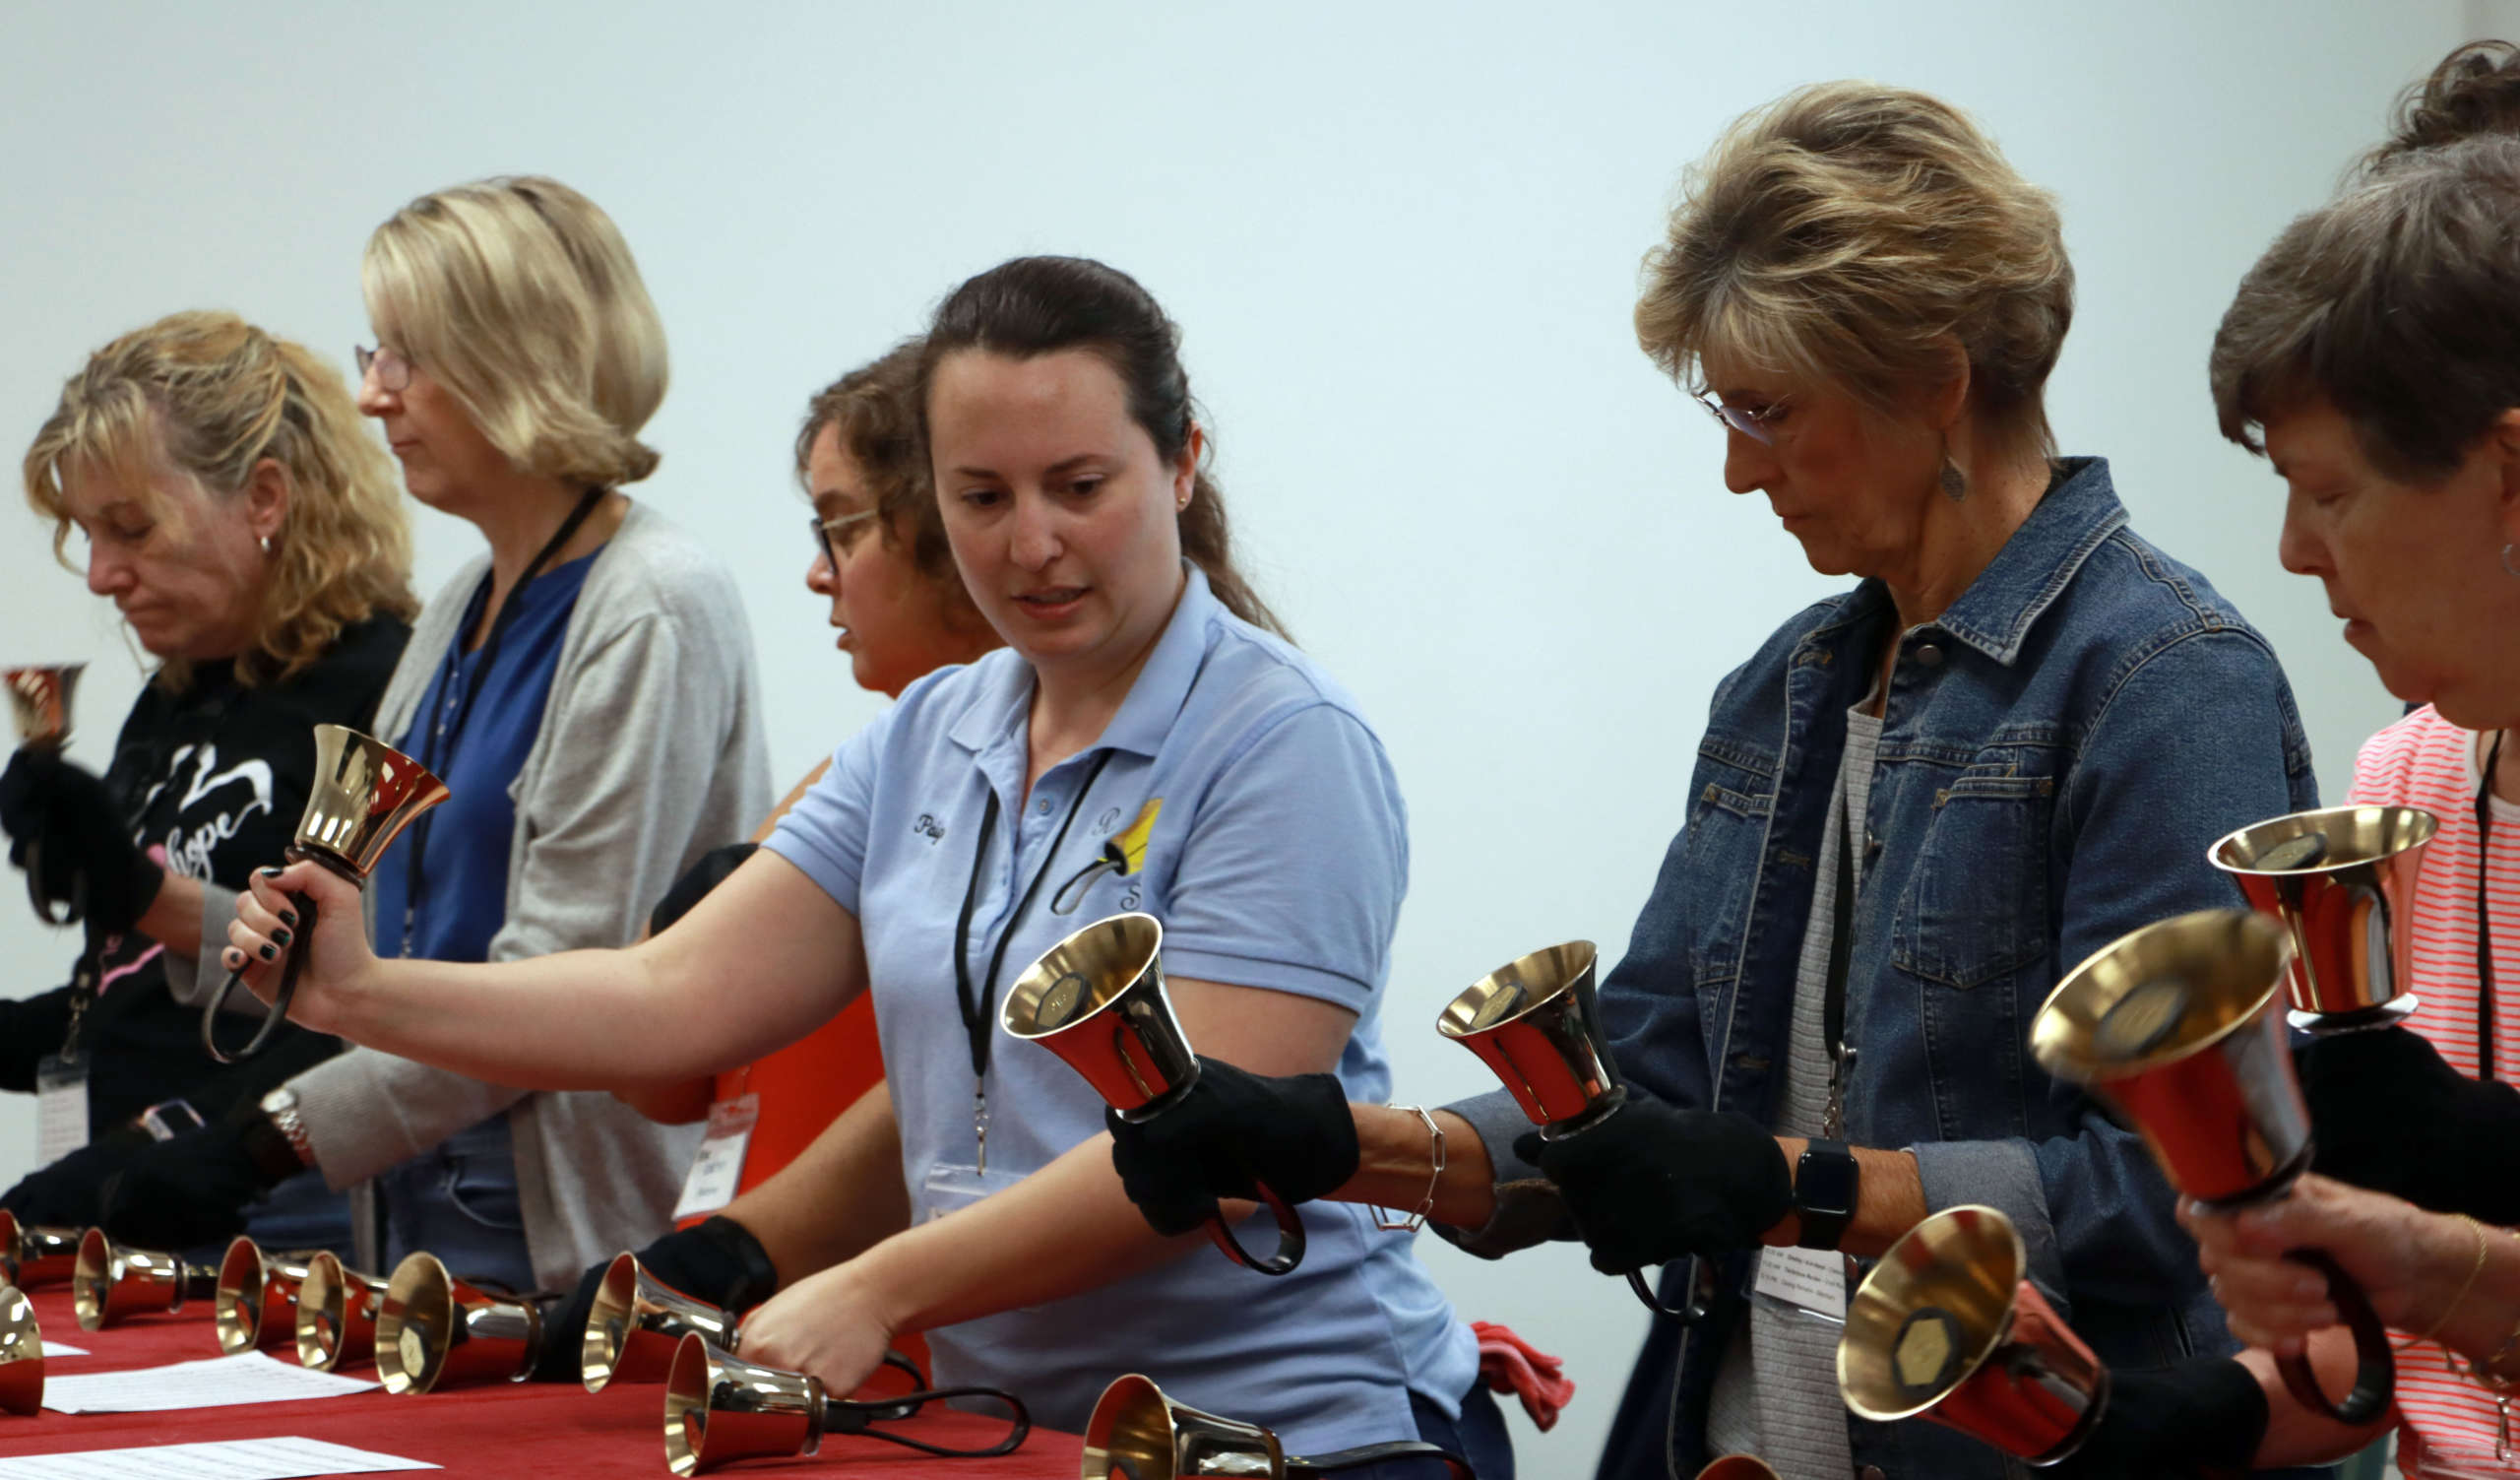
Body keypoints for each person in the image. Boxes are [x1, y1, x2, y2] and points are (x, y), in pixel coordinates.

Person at [1099, 81, 2330, 1480]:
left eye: (1768, 411)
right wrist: (1327, 1145)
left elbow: (2168, 1191)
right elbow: (1635, 1096)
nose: (1742, 472)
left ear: (1935, 380)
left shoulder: (2165, 684)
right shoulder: (1783, 689)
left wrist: (1798, 1184)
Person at [220, 255, 1509, 1474]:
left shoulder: (1283, 744)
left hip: (1296, 1432)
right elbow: (671, 994)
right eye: (982, 497)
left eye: (1079, 486)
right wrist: (358, 988)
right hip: (1036, 1432)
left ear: (1181, 465)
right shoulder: (928, 734)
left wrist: (881, 1285)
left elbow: (1201, 1148)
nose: (1031, 542)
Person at [93, 175, 769, 1302]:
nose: (370, 395)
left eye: (405, 358)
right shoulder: (458, 606)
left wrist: (269, 1139)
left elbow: (557, 990)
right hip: (411, 1226)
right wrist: (215, 930)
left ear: (520, 359)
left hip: (573, 1250)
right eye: (377, 355)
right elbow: (339, 925)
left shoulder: (650, 603)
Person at [552, 343, 1002, 1382]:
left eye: (841, 526)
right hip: (768, 1331)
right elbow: (662, 1079)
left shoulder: (1025, 794)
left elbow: (971, 1096)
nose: (817, 571)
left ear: (943, 531)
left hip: (899, 1354)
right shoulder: (851, 776)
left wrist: (734, 1251)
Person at [2196, 131, 2520, 1474]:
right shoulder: (2405, 784)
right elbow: (2402, 1362)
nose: (2292, 551)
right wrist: (2158, 1414)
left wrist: (2442, 1235)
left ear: (2509, 474)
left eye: (2328, 492)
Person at [0, 310, 415, 1249]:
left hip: (269, 1227)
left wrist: (178, 1142)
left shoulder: (380, 692)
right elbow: (126, 999)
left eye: (131, 528)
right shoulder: (171, 701)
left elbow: (348, 1000)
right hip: (133, 1211)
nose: (101, 575)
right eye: (86, 535)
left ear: (264, 498)